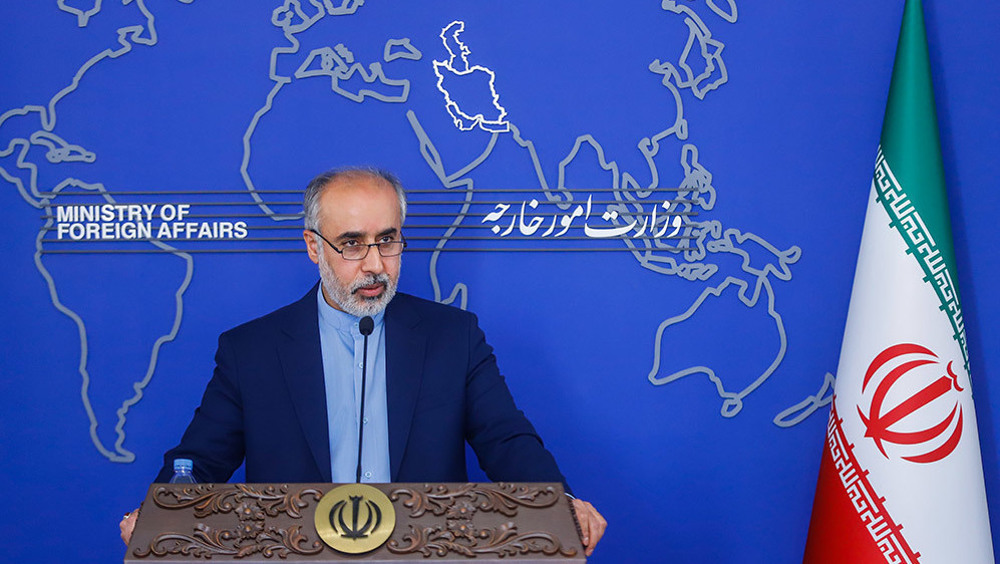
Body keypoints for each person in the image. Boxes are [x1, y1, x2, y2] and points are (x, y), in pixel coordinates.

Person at [120, 167, 606, 554]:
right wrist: (161, 512)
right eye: (352, 243)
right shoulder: (251, 350)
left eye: (388, 240)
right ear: (314, 246)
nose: (375, 264)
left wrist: (556, 502)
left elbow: (506, 438)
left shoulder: (453, 337)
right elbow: (200, 460)